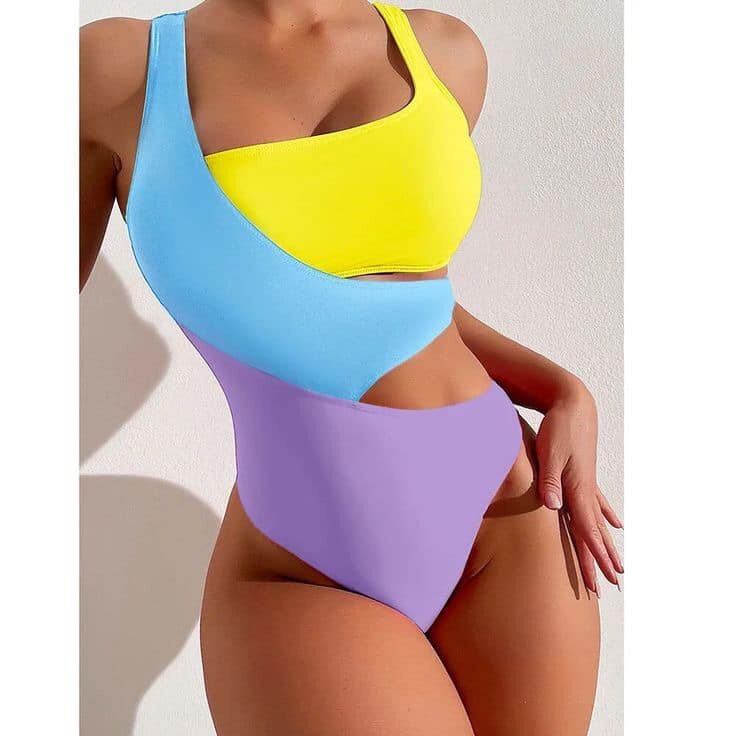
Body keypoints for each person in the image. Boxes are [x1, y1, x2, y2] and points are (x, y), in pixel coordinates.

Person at [80, 1, 623, 733]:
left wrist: (565, 389)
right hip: (307, 564)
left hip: (513, 508)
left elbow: (403, 302)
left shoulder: (442, 52)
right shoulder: (115, 71)